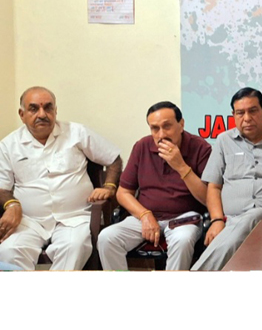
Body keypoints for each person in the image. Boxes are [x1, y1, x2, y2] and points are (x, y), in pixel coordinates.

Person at [0, 86, 122, 270]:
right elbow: (3, 188)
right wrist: (11, 205)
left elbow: (113, 159)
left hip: (74, 218)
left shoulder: (76, 133)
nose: (42, 114)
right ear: (21, 114)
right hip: (30, 220)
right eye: (34, 109)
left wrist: (109, 186)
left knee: (74, 247)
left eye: (48, 107)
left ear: (55, 111)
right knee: (9, 250)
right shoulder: (8, 145)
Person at [192, 87, 262, 271]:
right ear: (233, 115)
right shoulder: (223, 141)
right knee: (246, 220)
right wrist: (216, 220)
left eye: (252, 111)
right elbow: (214, 187)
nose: (247, 118)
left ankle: (198, 275)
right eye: (240, 113)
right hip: (232, 220)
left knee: (253, 215)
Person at [97, 101, 211, 270]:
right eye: (155, 128)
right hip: (144, 216)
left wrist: (180, 166)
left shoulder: (200, 147)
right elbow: (123, 193)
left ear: (181, 124)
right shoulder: (142, 146)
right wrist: (144, 215)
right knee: (107, 238)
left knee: (183, 240)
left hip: (184, 218)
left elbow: (207, 198)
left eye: (167, 126)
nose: (161, 135)